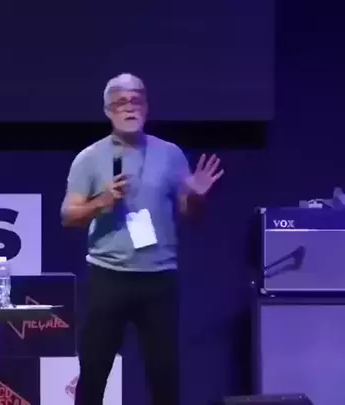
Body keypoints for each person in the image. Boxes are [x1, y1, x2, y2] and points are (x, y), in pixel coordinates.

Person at [61, 73, 224, 405]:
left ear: (146, 107)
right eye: (121, 101)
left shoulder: (171, 154)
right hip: (108, 276)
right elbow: (68, 216)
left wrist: (197, 197)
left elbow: (191, 215)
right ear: (108, 110)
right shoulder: (89, 158)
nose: (129, 107)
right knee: (93, 372)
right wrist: (102, 202)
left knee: (164, 375)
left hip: (159, 279)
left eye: (136, 100)